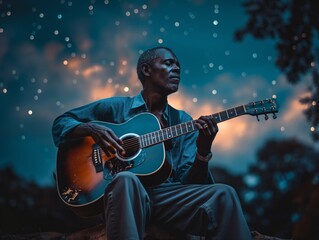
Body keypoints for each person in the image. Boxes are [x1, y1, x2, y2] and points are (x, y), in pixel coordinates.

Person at [52, 46, 252, 239]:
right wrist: (91, 129)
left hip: (168, 199)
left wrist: (203, 150)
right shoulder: (117, 107)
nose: (176, 69)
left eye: (178, 66)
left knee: (225, 193)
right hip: (127, 198)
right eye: (168, 63)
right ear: (146, 70)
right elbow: (61, 124)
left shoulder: (183, 121)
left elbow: (192, 184)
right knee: (126, 179)